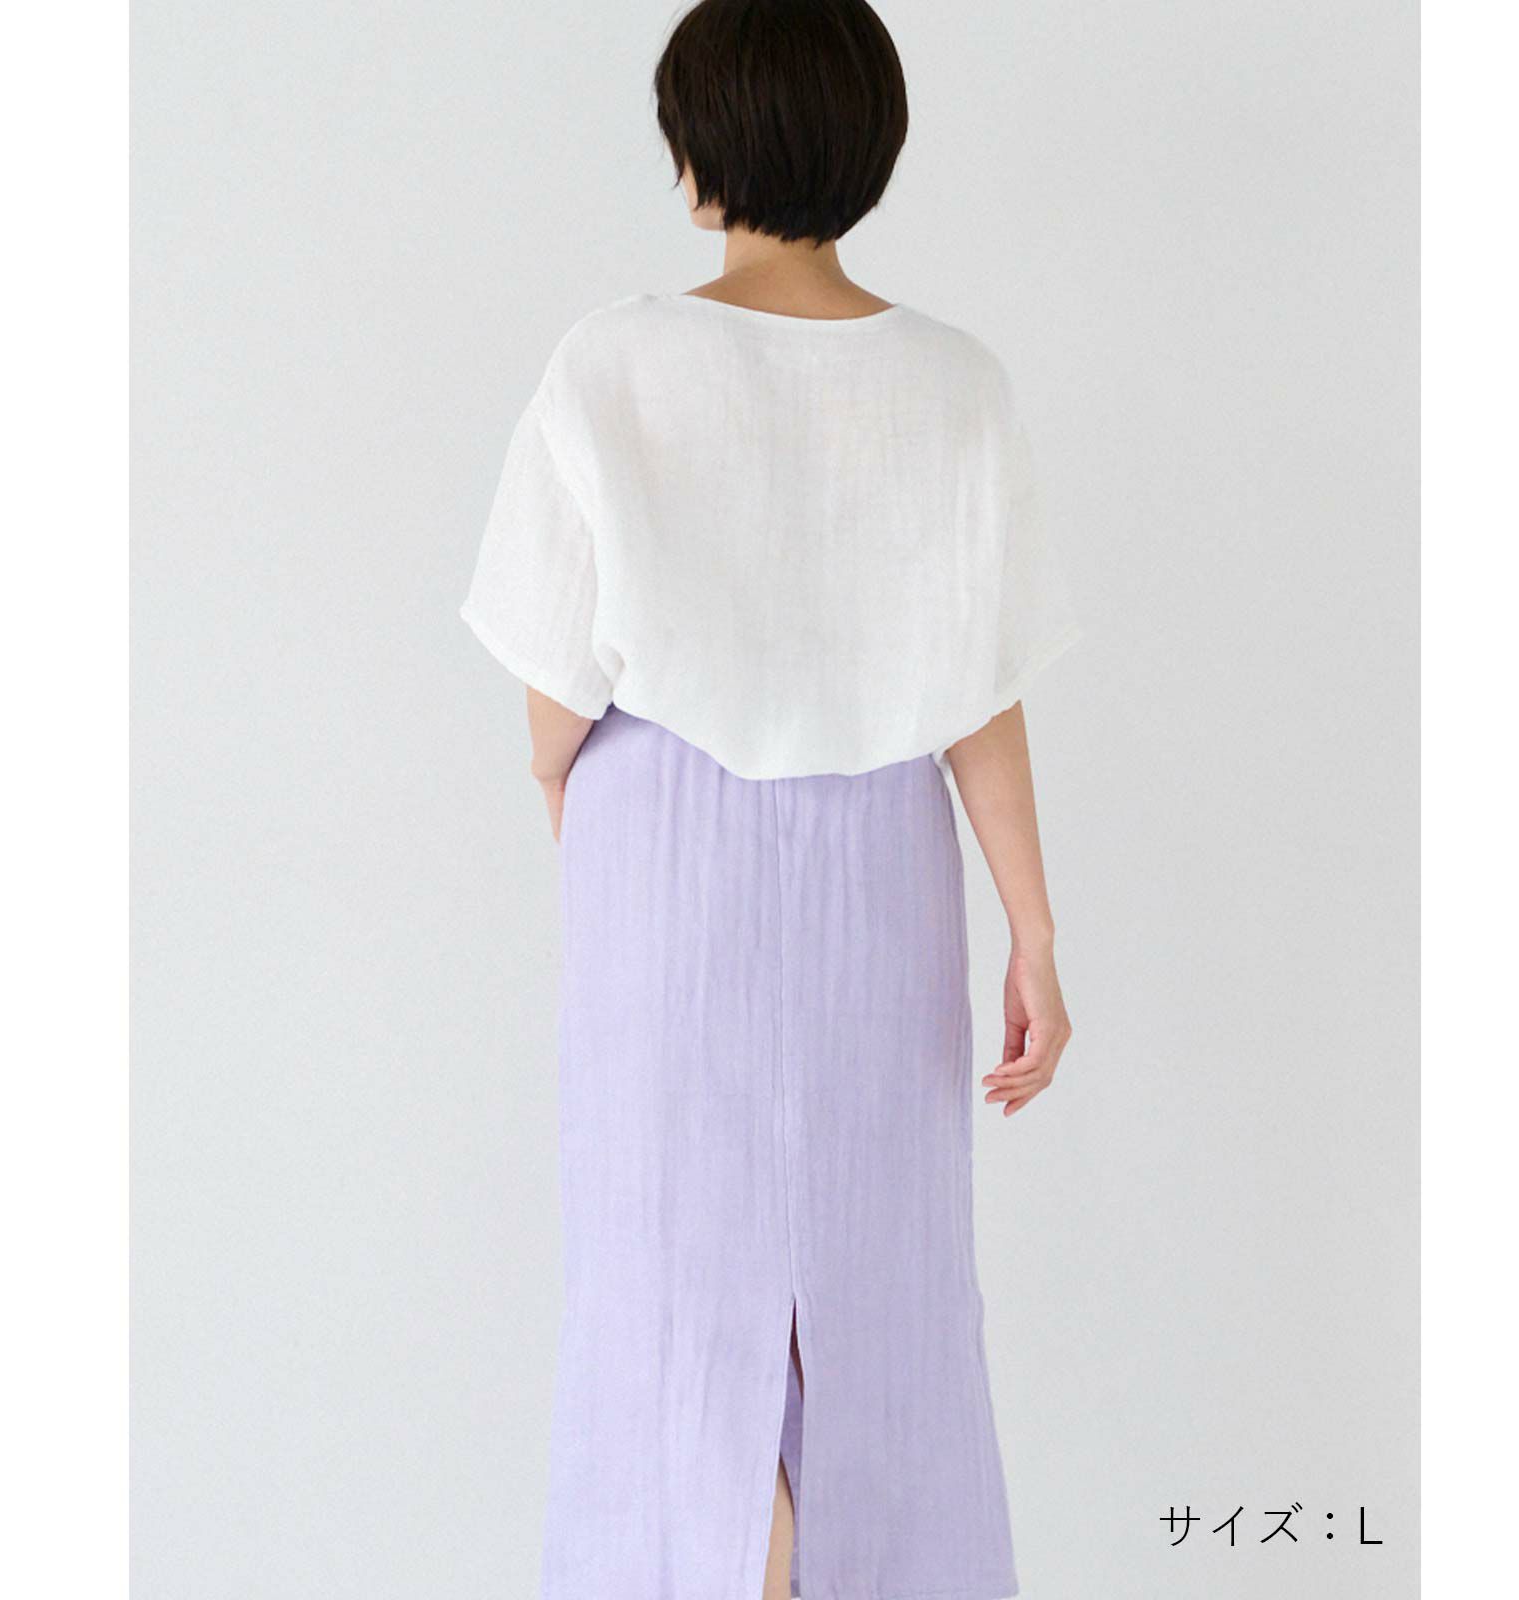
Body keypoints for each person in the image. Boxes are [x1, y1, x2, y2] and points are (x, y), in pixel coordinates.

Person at [461, 3, 1080, 1596]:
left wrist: (568, 802)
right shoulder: (953, 384)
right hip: (886, 857)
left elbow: (554, 687)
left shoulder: (614, 360)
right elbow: (979, 687)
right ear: (873, 146)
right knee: (882, 1278)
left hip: (659, 832)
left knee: (665, 1274)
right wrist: (1031, 929)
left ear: (696, 159)